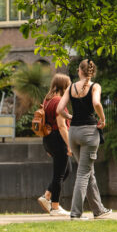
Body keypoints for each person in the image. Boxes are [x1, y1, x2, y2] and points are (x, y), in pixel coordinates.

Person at [55, 59, 111, 220]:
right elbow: (96, 103)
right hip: (89, 133)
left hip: (73, 133)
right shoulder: (95, 86)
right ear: (92, 72)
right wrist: (103, 119)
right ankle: (75, 213)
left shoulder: (71, 87)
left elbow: (60, 109)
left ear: (79, 71)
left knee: (87, 172)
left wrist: (70, 116)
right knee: (83, 173)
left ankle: (98, 209)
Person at [36, 73, 72, 216]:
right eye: (68, 86)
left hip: (49, 138)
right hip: (58, 138)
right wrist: (69, 145)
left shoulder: (47, 99)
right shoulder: (58, 101)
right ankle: (55, 207)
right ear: (64, 86)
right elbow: (62, 126)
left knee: (67, 170)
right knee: (58, 174)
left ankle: (46, 197)